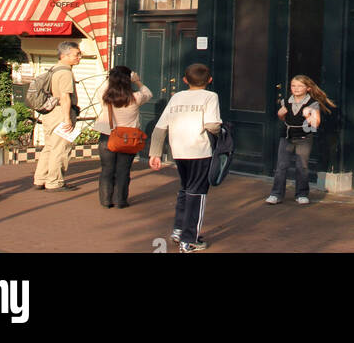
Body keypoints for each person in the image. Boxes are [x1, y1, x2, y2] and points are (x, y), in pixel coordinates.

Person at [149, 62, 221, 253]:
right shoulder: (210, 96)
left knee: (185, 189)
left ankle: (179, 229)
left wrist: (155, 152)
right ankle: (189, 240)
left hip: (179, 151)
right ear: (210, 80)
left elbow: (160, 127)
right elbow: (212, 124)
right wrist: (221, 130)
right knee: (197, 193)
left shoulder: (177, 97)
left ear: (184, 80)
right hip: (199, 150)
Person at [265, 74, 335, 206]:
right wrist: (280, 115)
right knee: (281, 166)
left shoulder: (312, 103)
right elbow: (284, 118)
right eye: (293, 86)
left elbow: (315, 124)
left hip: (304, 138)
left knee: (301, 166)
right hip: (287, 137)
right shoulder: (285, 101)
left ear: (308, 88)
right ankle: (276, 194)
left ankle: (302, 194)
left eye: (300, 86)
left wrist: (308, 115)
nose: (296, 88)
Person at [92, 65, 152, 209]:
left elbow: (101, 89)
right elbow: (148, 93)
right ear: (128, 79)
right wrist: (137, 81)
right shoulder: (136, 98)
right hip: (128, 138)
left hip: (108, 135)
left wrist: (112, 78)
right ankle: (120, 200)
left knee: (107, 169)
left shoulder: (105, 97)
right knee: (123, 170)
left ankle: (106, 200)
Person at [32, 40, 82, 192]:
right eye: (77, 54)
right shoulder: (65, 73)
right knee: (60, 148)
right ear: (64, 55)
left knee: (49, 146)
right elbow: (65, 97)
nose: (79, 57)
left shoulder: (53, 69)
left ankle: (40, 179)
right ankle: (54, 182)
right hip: (61, 113)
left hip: (49, 113)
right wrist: (67, 119)